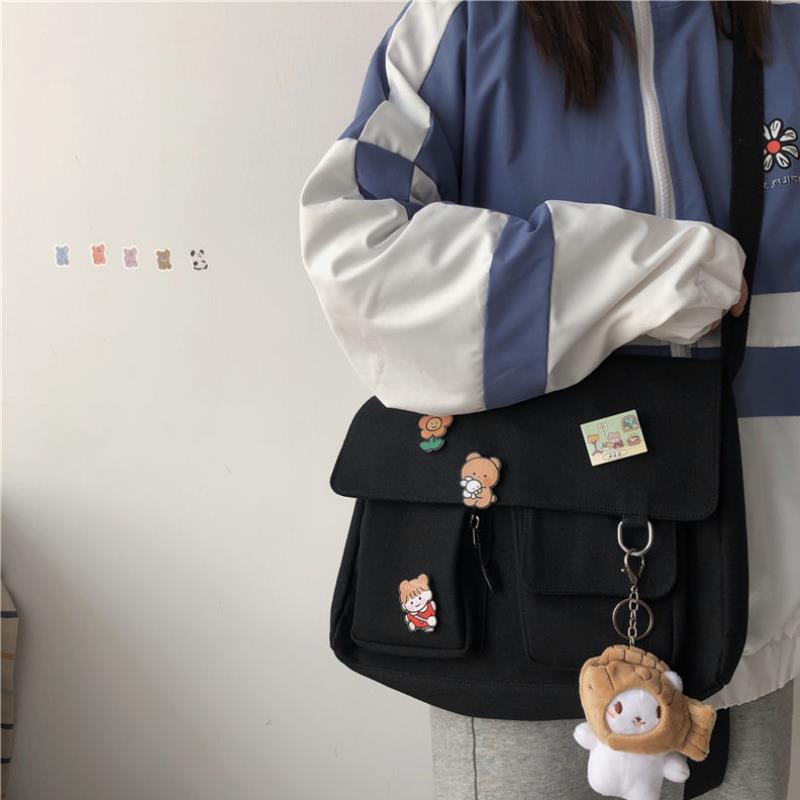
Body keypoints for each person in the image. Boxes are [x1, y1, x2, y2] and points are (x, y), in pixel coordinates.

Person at [299, 1, 799, 797]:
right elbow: (361, 258)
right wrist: (647, 271)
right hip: (513, 591)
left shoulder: (783, 21)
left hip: (754, 596)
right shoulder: (464, 22)